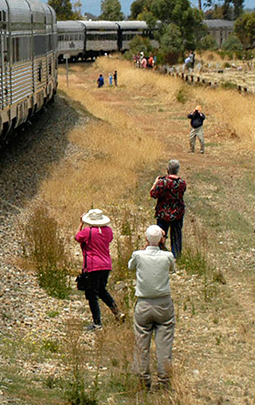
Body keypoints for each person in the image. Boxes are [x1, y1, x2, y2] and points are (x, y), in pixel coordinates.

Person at [129, 225, 176, 390]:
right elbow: (172, 268)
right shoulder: (167, 256)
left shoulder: (138, 255)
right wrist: (161, 243)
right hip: (163, 303)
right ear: (162, 239)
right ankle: (163, 380)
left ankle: (143, 379)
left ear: (146, 239)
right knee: (164, 344)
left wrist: (146, 246)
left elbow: (130, 266)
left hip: (144, 303)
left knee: (141, 341)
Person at [75, 209, 124, 330]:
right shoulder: (108, 231)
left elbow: (77, 237)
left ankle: (97, 323)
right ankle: (117, 312)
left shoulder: (88, 231)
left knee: (92, 295)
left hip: (93, 266)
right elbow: (109, 240)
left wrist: (80, 224)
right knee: (102, 290)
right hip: (106, 265)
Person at [150, 160, 185, 258]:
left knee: (160, 235)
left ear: (167, 170)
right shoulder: (182, 183)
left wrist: (155, 183)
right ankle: (176, 256)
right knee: (176, 236)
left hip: (163, 213)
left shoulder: (163, 182)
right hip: (177, 213)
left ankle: (160, 254)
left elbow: (153, 194)